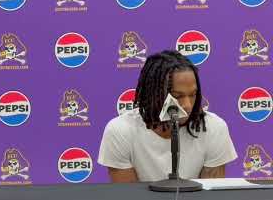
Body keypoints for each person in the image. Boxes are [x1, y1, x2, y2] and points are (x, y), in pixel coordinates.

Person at [98, 50, 237, 183]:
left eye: (193, 94)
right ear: (153, 94)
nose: (188, 105)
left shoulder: (214, 128)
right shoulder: (120, 130)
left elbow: (210, 199)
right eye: (177, 96)